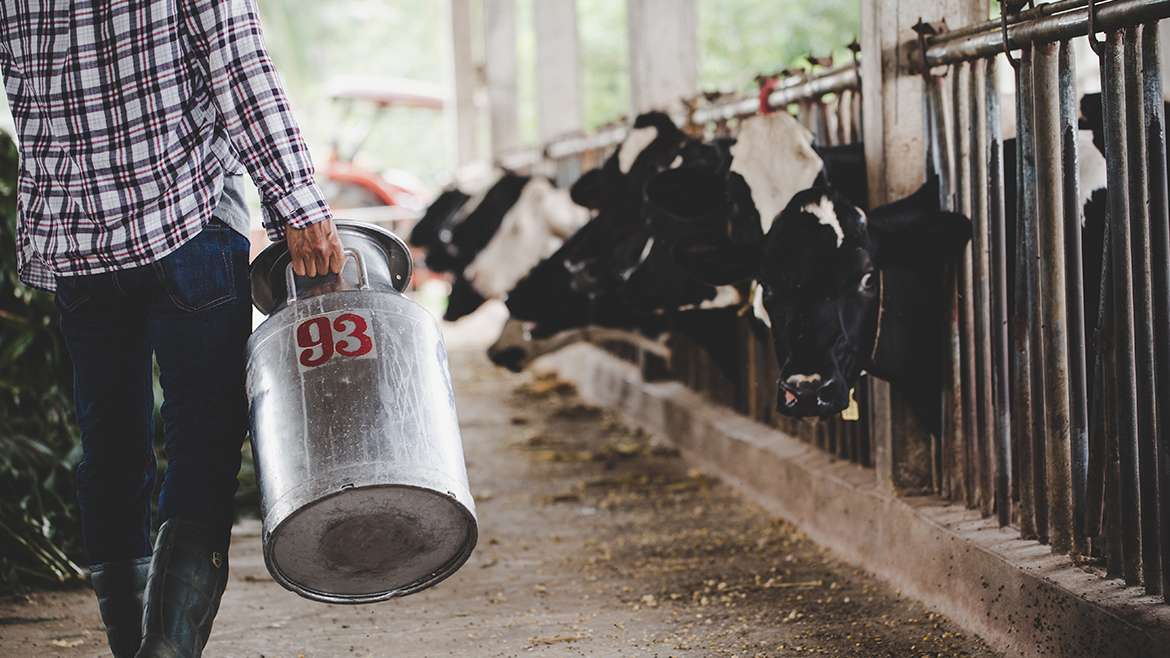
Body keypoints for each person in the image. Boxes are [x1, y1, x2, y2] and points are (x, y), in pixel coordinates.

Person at [0, 2, 344, 656]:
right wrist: (297, 203)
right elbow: (240, 69)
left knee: (111, 443)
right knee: (206, 437)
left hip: (77, 236)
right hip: (187, 218)